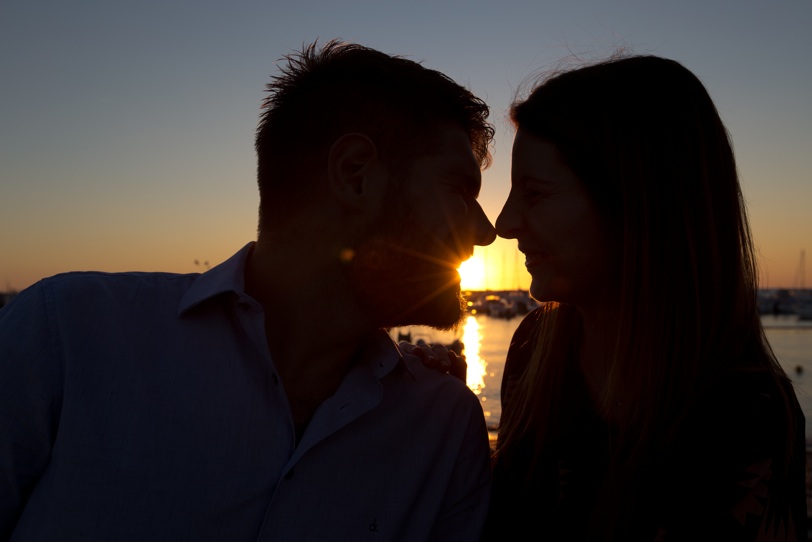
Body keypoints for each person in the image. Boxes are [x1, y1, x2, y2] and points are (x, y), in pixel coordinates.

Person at [0, 39, 497, 541]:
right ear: (355, 174)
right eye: (459, 190)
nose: (486, 231)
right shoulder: (65, 337)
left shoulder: (445, 429)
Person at [481, 54, 808, 541]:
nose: (503, 223)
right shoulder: (535, 348)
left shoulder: (744, 414)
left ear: (636, 205)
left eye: (536, 193)